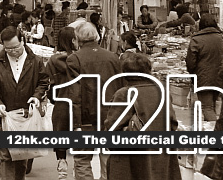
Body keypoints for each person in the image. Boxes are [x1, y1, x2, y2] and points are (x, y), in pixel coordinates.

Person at [0, 26, 50, 180]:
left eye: (16, 47)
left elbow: (44, 81)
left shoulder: (35, 61)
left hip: (26, 117)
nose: (13, 51)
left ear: (22, 40)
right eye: (8, 49)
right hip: (4, 116)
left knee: (21, 158)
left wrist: (36, 96)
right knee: (6, 156)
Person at [104, 53, 181, 180]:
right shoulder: (162, 91)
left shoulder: (124, 94)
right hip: (160, 160)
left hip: (130, 164)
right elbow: (172, 125)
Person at [67, 22, 122, 180]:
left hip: (86, 117)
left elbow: (75, 94)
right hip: (111, 115)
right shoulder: (113, 57)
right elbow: (120, 88)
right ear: (97, 36)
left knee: (82, 158)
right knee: (108, 157)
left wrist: (75, 123)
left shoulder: (74, 59)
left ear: (77, 39)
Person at [48, 27, 78, 180]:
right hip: (79, 101)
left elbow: (49, 85)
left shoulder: (53, 60)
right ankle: (79, 168)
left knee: (60, 133)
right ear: (73, 40)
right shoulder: (79, 59)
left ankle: (62, 164)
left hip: (61, 100)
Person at [185, 13, 223, 122]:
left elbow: (191, 62)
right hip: (219, 76)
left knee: (207, 108)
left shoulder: (196, 40)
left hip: (203, 77)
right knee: (213, 105)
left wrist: (193, 74)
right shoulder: (221, 37)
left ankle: (214, 132)